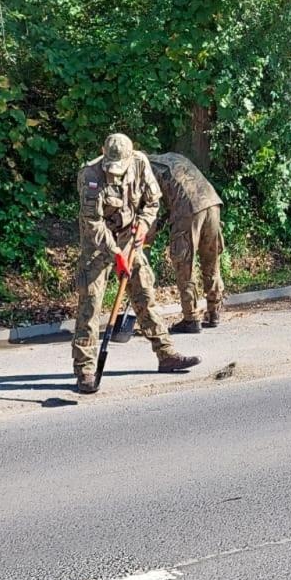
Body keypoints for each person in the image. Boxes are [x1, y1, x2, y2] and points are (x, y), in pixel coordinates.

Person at [72, 133, 199, 394]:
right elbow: (92, 223)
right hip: (98, 245)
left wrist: (142, 227)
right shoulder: (90, 176)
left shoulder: (141, 164)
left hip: (130, 238)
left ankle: (166, 354)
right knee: (90, 305)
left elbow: (152, 202)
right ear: (102, 151)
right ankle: (85, 369)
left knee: (144, 294)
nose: (115, 172)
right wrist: (116, 253)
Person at [148, 151, 225, 332]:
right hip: (212, 202)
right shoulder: (172, 158)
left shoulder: (144, 168)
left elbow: (151, 204)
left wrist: (148, 234)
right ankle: (214, 312)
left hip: (188, 209)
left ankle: (191, 318)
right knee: (211, 260)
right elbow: (174, 191)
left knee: (184, 262)